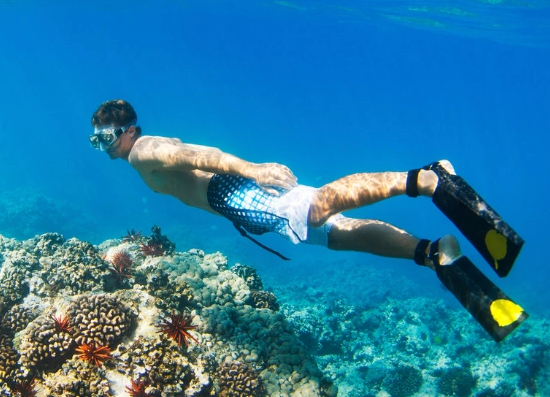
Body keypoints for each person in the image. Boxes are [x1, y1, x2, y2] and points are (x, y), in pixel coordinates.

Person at [89, 99, 527, 342]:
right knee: (337, 234)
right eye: (96, 141)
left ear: (129, 130)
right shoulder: (142, 151)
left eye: (106, 137)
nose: (103, 146)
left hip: (236, 194)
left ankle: (425, 179)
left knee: (318, 207)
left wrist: (252, 170)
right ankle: (431, 253)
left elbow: (198, 155)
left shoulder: (143, 151)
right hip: (238, 204)